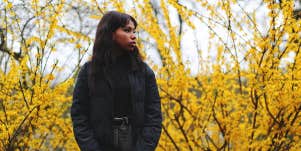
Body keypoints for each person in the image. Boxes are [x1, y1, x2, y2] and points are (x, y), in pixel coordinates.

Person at [71, 11, 162, 151]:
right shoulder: (89, 72)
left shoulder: (144, 72)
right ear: (110, 34)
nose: (133, 36)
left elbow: (154, 116)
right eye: (127, 30)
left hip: (135, 144)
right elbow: (79, 115)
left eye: (134, 31)